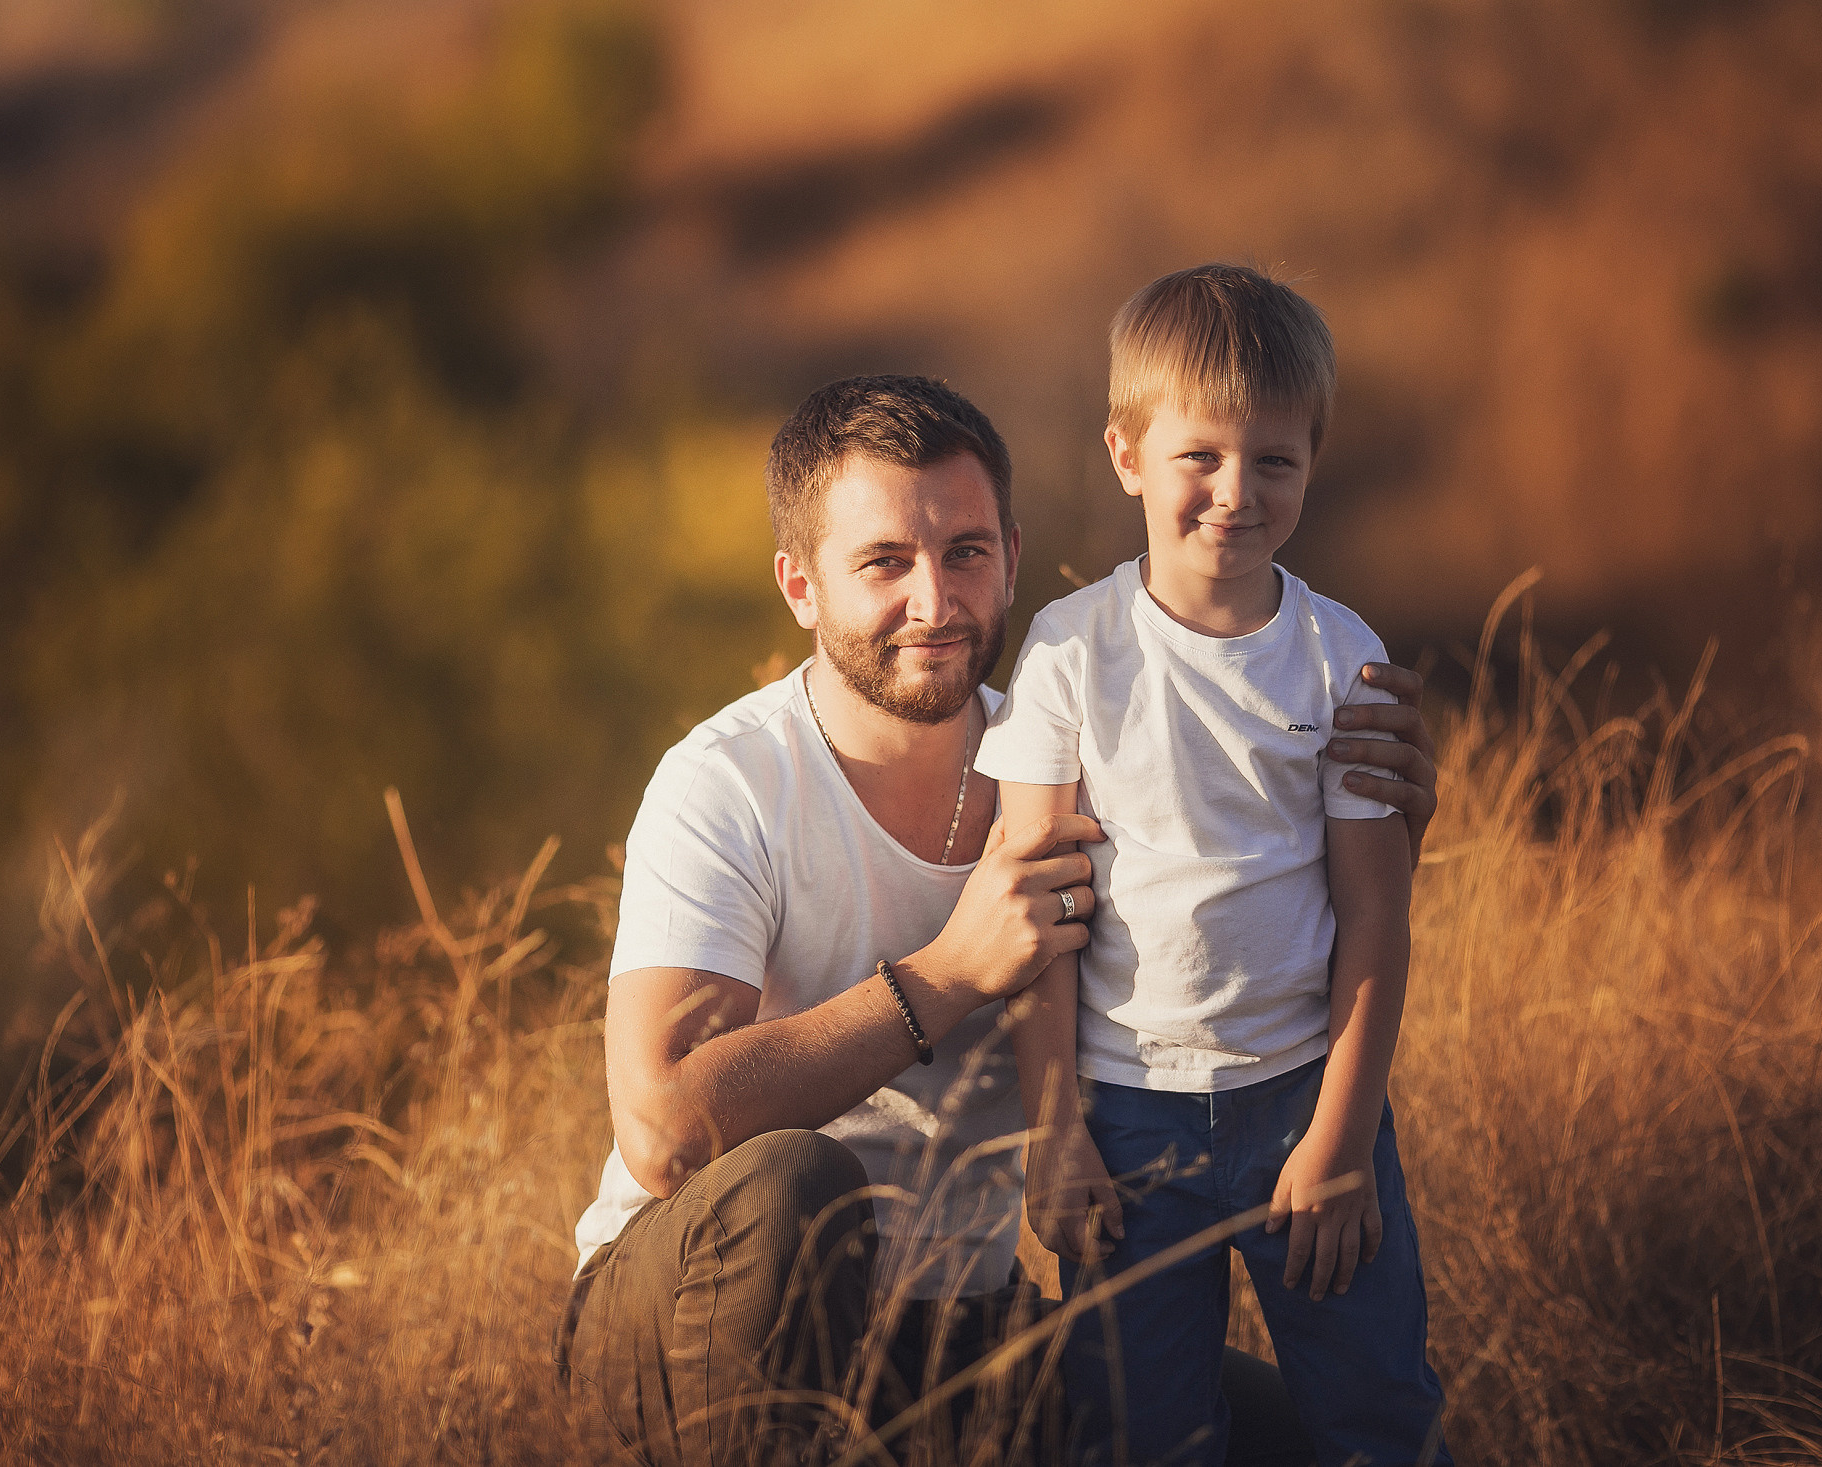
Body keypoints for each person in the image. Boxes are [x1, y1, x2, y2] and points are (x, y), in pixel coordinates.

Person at [554, 374, 1442, 1465]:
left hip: (952, 1322)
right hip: (685, 1315)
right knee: (795, 1185)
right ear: (800, 585)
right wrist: (947, 976)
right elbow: (664, 1132)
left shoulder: (1076, 757)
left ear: (1013, 558)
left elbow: (1251, 925)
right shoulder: (727, 785)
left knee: (1282, 1444)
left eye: (965, 552)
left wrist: (1380, 825)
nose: (935, 601)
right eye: (884, 562)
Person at [978, 265, 1452, 1466]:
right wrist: (1054, 1131)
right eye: (1200, 455)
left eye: (1273, 460)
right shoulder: (1070, 654)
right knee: (1145, 1433)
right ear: (1126, 454)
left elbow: (1374, 916)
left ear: (1312, 463)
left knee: (1376, 1418)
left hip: (1303, 1099)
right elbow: (1038, 913)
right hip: (1124, 1118)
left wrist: (1342, 1138)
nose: (1236, 492)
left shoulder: (1339, 658)